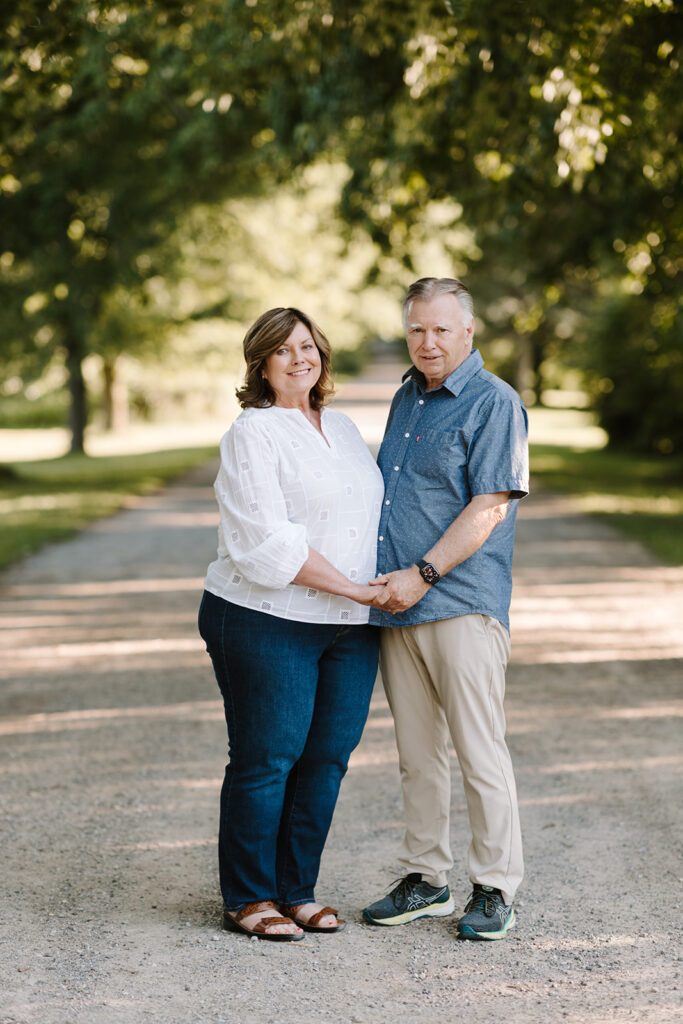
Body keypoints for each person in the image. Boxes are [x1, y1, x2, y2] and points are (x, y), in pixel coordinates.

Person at [198, 307, 385, 941]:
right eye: (283, 351)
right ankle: (250, 896)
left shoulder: (345, 425)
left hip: (350, 623)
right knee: (267, 757)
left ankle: (296, 890)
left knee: (327, 758)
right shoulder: (253, 432)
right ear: (262, 365)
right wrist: (358, 588)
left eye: (307, 346)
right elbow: (267, 544)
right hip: (265, 617)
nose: (299, 358)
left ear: (322, 355)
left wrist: (381, 586)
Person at [363, 277, 529, 940]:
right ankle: (425, 880)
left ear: (468, 332)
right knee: (416, 754)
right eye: (416, 330)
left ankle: (495, 888)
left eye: (440, 329)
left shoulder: (494, 401)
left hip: (457, 601)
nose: (427, 342)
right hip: (398, 607)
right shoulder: (406, 396)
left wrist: (423, 573)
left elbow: (489, 504)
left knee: (477, 750)